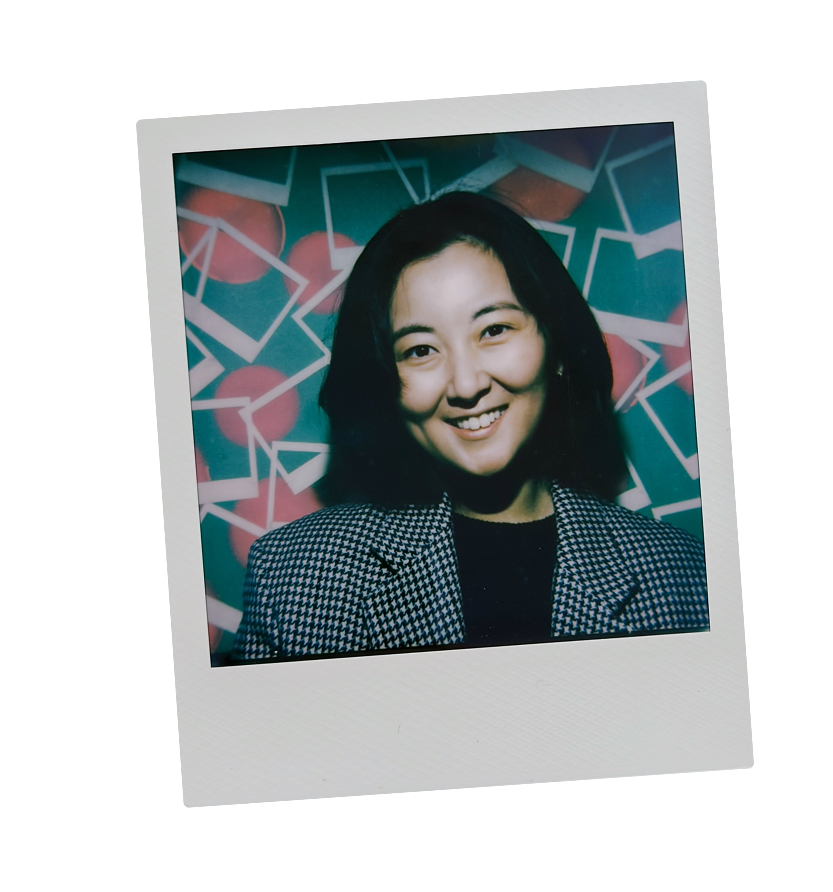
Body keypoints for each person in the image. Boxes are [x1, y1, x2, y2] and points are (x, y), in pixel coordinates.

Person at [232, 191, 708, 661]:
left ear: (556, 346)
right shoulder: (297, 577)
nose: (465, 383)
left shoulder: (680, 578)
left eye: (494, 329)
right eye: (420, 350)